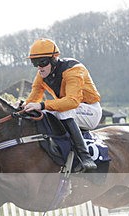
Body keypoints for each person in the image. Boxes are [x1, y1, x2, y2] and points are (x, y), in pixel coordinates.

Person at [21, 38, 101, 172]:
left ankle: (85, 157)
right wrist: (22, 106)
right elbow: (33, 99)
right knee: (40, 114)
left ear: (53, 59)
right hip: (71, 110)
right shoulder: (41, 75)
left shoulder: (73, 70)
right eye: (35, 63)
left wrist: (41, 105)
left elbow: (72, 101)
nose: (39, 67)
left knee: (62, 111)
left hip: (90, 111)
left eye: (42, 62)